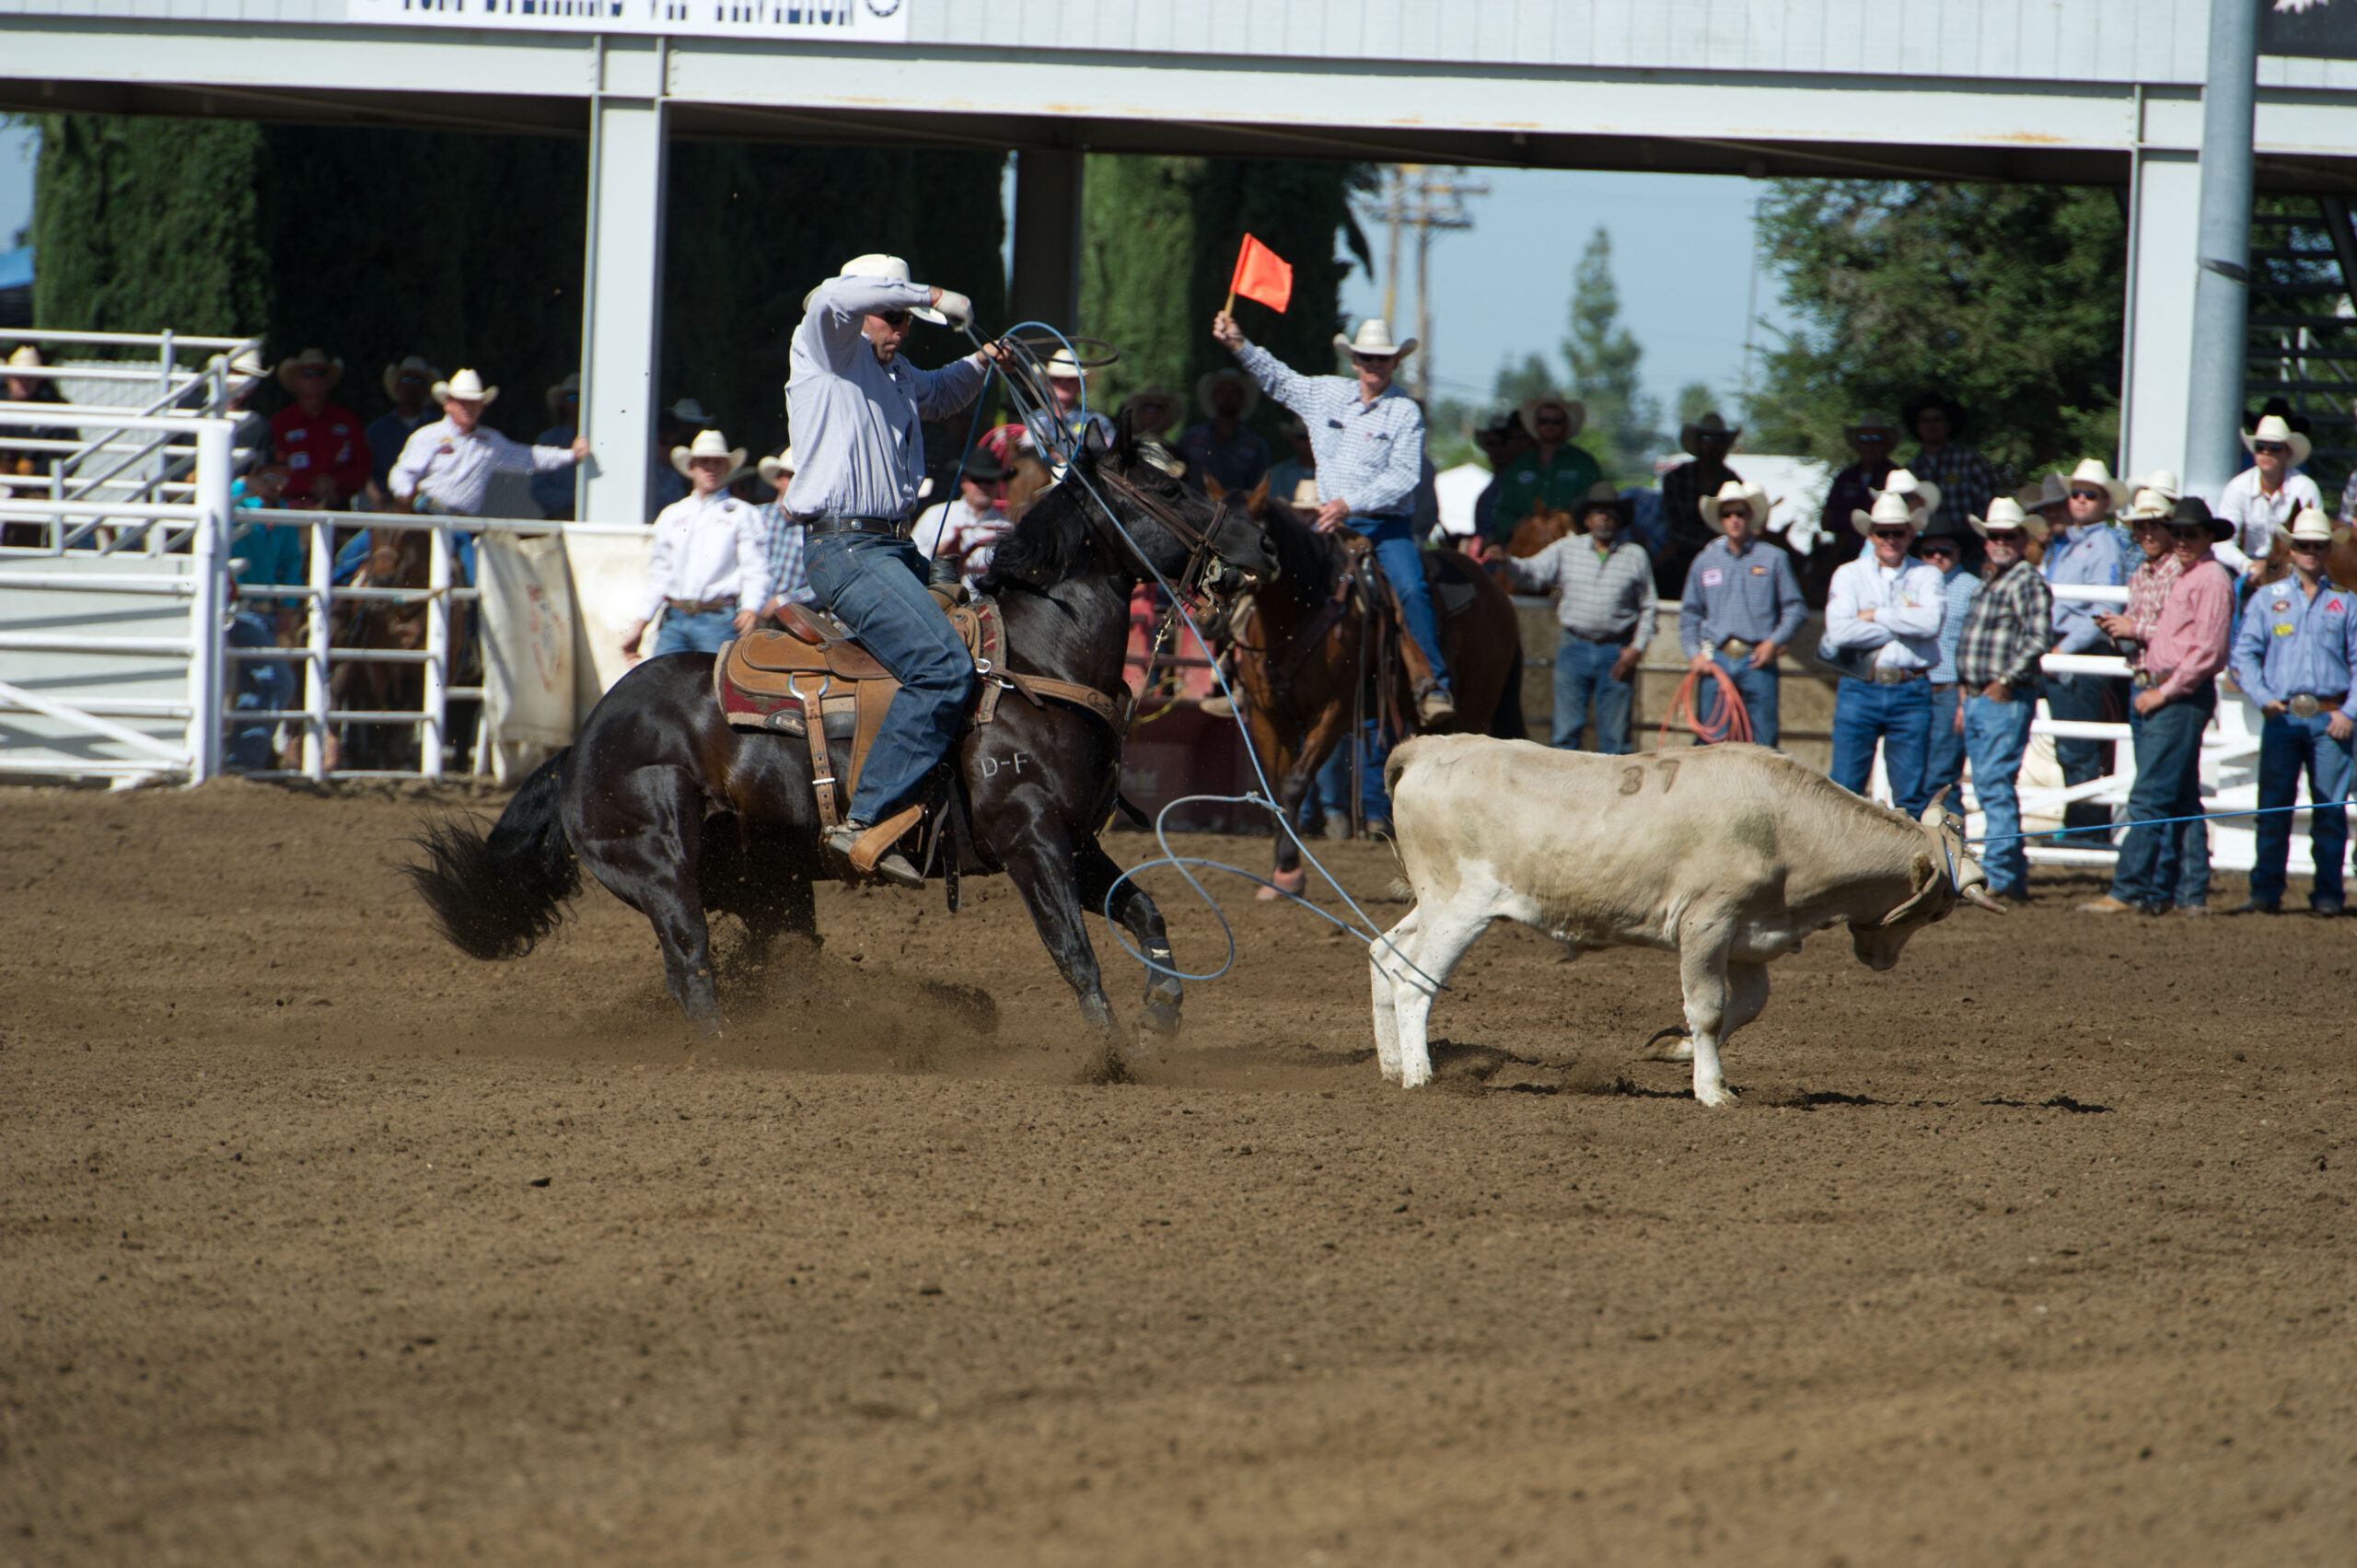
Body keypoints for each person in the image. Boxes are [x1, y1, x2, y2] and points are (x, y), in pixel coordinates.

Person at [784, 253, 1004, 884]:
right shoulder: (825, 345)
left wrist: (985, 361)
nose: (902, 329)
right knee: (940, 666)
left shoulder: (897, 371)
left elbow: (944, 393)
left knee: (984, 641)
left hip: (891, 549)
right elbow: (835, 295)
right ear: (863, 314)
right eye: (892, 316)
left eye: (906, 320)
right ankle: (867, 818)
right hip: (846, 550)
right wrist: (931, 295)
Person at [1211, 311, 1454, 723]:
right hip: (1326, 524)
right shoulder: (1326, 393)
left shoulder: (1404, 413)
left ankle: (1432, 685)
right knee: (1264, 575)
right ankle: (1236, 677)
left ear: (1395, 362)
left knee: (1411, 589)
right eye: (1367, 357)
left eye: (1382, 358)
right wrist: (1238, 344)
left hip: (1383, 527)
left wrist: (1348, 503)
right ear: (1354, 360)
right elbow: (1278, 378)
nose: (1374, 365)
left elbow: (1404, 478)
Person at [2080, 498, 2235, 914]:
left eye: (2190, 534)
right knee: (2180, 797)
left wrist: (2164, 692)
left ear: (2208, 537)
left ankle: (2128, 888)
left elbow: (2206, 652)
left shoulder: (2210, 579)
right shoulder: (2190, 576)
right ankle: (2186, 894)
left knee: (2149, 795)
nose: (2181, 540)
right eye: (2177, 533)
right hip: (2168, 690)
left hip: (2175, 694)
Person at [2229, 506, 2357, 916]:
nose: (2310, 552)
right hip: (2283, 715)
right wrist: (2263, 697)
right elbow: (2243, 654)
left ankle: (2328, 894)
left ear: (2327, 550)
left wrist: (2349, 712)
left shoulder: (2346, 603)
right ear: (2292, 549)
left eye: (2318, 545)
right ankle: (2265, 891)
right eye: (2303, 545)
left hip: (2330, 716)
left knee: (2329, 812)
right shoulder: (2267, 600)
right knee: (2273, 808)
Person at [1489, 481, 1656, 754]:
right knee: (1565, 734)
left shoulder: (1635, 556)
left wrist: (1636, 649)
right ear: (1587, 520)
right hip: (1574, 647)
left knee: (1615, 739)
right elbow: (1532, 573)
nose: (1604, 518)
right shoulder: (1566, 549)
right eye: (1598, 512)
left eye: (1610, 512)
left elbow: (1649, 605)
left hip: (1616, 651)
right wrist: (1506, 561)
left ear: (1619, 519)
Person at [1953, 498, 2054, 902]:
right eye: (1994, 535)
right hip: (1982, 695)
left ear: (2021, 539)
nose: (2000, 542)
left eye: (2008, 536)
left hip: (2002, 696)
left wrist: (2005, 679)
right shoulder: (1994, 578)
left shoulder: (2025, 579)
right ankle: (2010, 873)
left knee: (1994, 784)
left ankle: (1999, 875)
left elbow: (2040, 636)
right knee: (1991, 784)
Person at [1823, 491, 1947, 816]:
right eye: (1883, 532)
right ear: (1871, 535)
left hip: (1910, 689)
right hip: (1861, 685)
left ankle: (1915, 851)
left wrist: (1874, 615)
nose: (1890, 538)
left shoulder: (1928, 574)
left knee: (1912, 796)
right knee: (1843, 790)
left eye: (1898, 532)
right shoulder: (1849, 573)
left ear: (1910, 534)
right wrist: (1905, 624)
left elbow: (1931, 623)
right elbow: (1839, 632)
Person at [2040, 458, 2131, 846]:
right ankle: (2081, 828)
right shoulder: (2065, 543)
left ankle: (2087, 832)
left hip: (2079, 651)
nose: (2080, 500)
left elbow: (2103, 610)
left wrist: (2062, 649)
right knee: (2069, 744)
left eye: (2089, 495)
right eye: (2076, 493)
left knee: (2078, 747)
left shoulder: (2104, 545)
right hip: (2061, 647)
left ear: (2105, 503)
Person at [1677, 478, 1805, 747]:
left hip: (1757, 658)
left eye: (1740, 513)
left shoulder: (1774, 558)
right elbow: (1690, 613)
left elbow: (1795, 608)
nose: (1734, 519)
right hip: (1716, 659)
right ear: (1720, 519)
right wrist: (1694, 655)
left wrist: (1773, 643)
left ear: (1750, 516)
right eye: (1727, 514)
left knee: (1763, 743)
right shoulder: (1704, 561)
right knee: (1712, 743)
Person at [621, 428, 764, 660]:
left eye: (718, 462)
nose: (711, 468)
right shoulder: (672, 514)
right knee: (661, 679)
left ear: (727, 467)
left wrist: (751, 607)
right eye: (704, 461)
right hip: (674, 618)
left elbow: (755, 567)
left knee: (715, 680)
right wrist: (640, 625)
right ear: (692, 467)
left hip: (718, 618)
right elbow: (659, 574)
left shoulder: (743, 513)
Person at [225, 459, 307, 772]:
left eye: (284, 477)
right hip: (240, 607)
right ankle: (247, 757)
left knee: (257, 684)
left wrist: (288, 604)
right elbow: (218, 502)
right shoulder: (238, 503)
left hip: (264, 610)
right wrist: (242, 486)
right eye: (270, 476)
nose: (278, 484)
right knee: (277, 681)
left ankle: (243, 757)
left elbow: (291, 561)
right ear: (254, 477)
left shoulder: (281, 514)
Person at [1917, 522, 1980, 806]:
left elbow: (1974, 647)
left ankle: (1947, 832)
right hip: (1913, 688)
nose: (1937, 556)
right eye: (1929, 551)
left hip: (1949, 689)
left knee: (1941, 775)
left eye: (1945, 550)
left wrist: (1964, 700)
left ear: (1958, 552)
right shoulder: (1911, 583)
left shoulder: (1971, 588)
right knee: (1912, 773)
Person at [2217, 413, 2325, 580]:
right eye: (2260, 447)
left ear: (2288, 452)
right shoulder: (2237, 488)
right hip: (2248, 566)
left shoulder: (2305, 488)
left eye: (2274, 448)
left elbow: (2316, 540)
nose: (2266, 452)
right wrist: (2246, 565)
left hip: (2293, 567)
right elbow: (2223, 542)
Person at [1488, 393, 1601, 544]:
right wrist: (1520, 527)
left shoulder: (1584, 463)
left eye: (1556, 421)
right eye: (1543, 421)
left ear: (1566, 423)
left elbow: (1594, 506)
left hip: (1572, 544)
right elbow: (1503, 510)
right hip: (1525, 545)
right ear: (1535, 424)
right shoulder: (1518, 466)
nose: (1549, 425)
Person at [1903, 391, 2000, 562]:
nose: (1931, 425)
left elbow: (1991, 509)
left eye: (1937, 419)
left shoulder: (1970, 460)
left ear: (1948, 424)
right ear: (1916, 427)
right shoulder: (1910, 470)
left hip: (1969, 551)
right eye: (1924, 420)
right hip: (1923, 553)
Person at [268, 348, 369, 511]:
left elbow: (363, 468)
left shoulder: (347, 421)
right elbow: (271, 472)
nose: (314, 379)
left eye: (321, 373)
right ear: (296, 380)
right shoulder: (280, 423)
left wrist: (334, 482)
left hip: (339, 505)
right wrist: (310, 486)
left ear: (328, 380)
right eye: (307, 373)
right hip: (292, 508)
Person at [0, 344, 80, 546]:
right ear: (8, 378)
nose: (24, 383)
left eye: (30, 377)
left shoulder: (55, 407)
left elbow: (70, 452)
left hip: (41, 485)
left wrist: (37, 470)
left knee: (33, 508)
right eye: (19, 377)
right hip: (6, 482)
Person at [1656, 410, 1742, 595]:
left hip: (1722, 559)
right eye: (1706, 439)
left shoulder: (1733, 483)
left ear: (1725, 446)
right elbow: (1676, 528)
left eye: (1719, 439)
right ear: (1697, 443)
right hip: (1681, 556)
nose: (1712, 446)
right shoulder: (1676, 478)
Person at [911, 449, 1012, 592]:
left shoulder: (1007, 528)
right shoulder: (936, 514)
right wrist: (938, 551)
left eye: (989, 480)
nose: (983, 486)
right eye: (976, 479)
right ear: (963, 481)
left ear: (998, 484)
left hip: (987, 601)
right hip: (937, 596)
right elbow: (911, 558)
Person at [1177, 366, 1270, 496]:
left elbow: (1259, 491)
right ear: (1213, 397)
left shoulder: (1256, 446)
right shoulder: (1189, 438)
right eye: (1221, 391)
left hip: (1235, 508)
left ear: (1243, 399)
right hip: (1193, 507)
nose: (1227, 397)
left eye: (1234, 392)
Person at [365, 355, 439, 508]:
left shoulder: (439, 428)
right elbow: (363, 472)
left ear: (427, 390)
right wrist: (376, 497)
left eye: (419, 381)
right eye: (406, 380)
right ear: (397, 386)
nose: (411, 386)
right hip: (385, 507)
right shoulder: (377, 430)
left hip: (429, 507)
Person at [749, 447, 815, 620]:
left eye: (802, 477)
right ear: (778, 480)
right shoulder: (755, 516)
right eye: (791, 475)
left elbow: (824, 584)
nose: (796, 482)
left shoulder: (816, 528)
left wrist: (784, 600)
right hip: (744, 615)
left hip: (792, 620)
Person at [1819, 412, 1902, 544]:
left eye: (1877, 440)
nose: (1870, 445)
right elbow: (1826, 521)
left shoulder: (1897, 476)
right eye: (1864, 439)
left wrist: (1846, 519)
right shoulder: (1845, 476)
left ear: (1886, 444)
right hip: (1846, 550)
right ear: (1857, 444)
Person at [1027, 349, 1117, 466]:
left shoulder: (1099, 422)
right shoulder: (1033, 421)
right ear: (1047, 384)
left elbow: (1113, 460)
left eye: (1071, 379)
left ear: (1080, 384)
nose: (1064, 384)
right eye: (1057, 379)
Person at [1468, 411, 1530, 546]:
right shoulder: (1493, 487)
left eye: (1502, 443)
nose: (1497, 450)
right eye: (1491, 444)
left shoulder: (1518, 481)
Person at [532, 373, 581, 520]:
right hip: (560, 518)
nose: (579, 402)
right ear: (563, 402)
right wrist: (577, 498)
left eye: (583, 396)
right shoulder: (548, 440)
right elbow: (539, 490)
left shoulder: (605, 440)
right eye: (573, 397)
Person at [1266, 414, 1318, 508]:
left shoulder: (1335, 475)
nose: (1309, 442)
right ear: (1293, 440)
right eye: (1303, 437)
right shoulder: (1277, 473)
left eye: (1314, 437)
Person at [1118, 385, 1182, 445]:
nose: (1153, 412)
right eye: (1148, 407)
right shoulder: (1125, 448)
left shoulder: (1172, 451)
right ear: (1138, 413)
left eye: (1160, 407)